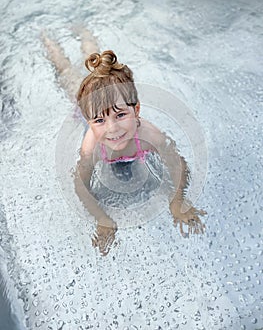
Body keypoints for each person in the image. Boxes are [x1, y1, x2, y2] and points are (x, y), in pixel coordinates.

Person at [42, 29, 206, 256]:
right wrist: (102, 219)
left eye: (120, 115)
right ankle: (49, 41)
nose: (112, 129)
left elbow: (178, 164)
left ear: (136, 109)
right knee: (67, 73)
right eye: (99, 121)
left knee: (92, 55)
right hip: (82, 106)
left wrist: (178, 202)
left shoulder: (149, 136)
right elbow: (80, 185)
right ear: (89, 122)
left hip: (102, 108)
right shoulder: (91, 147)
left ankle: (85, 32)